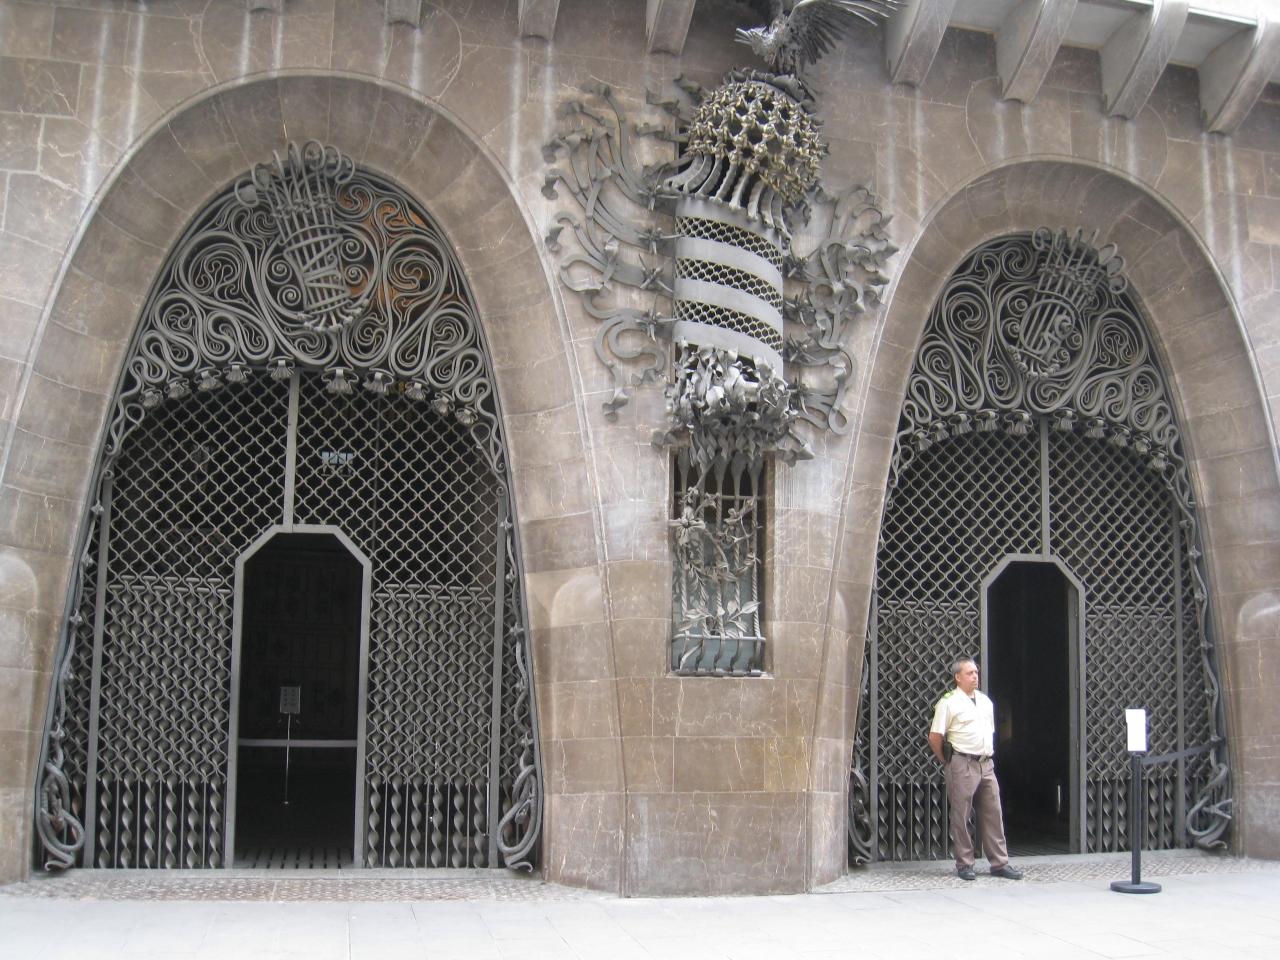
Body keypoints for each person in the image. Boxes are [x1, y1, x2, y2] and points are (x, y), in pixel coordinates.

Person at [928, 656, 1023, 881]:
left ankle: (999, 863)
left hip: (986, 763)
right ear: (957, 677)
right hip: (962, 761)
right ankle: (965, 863)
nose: (975, 676)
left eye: (976, 672)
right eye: (970, 673)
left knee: (993, 812)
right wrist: (947, 761)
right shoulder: (949, 703)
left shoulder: (985, 701)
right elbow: (935, 737)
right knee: (961, 815)